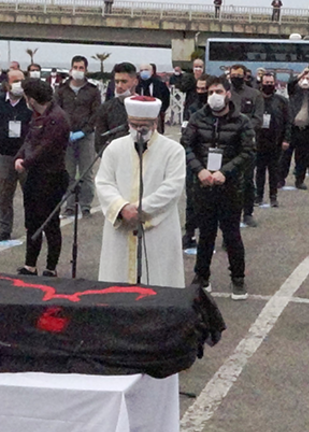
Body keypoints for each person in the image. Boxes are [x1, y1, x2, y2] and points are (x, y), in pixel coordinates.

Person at [95, 96, 186, 287]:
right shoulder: (114, 148)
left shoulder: (173, 150)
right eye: (134, 124)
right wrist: (122, 208)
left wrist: (139, 209)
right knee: (117, 285)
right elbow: (104, 182)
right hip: (122, 223)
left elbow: (172, 188)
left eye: (143, 125)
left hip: (157, 228)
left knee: (157, 283)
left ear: (155, 123)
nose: (138, 130)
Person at [182, 75, 255, 299]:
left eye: (219, 92)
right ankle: (201, 276)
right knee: (206, 234)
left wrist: (226, 172)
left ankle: (238, 279)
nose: (214, 96)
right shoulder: (197, 118)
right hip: (203, 186)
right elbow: (185, 146)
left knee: (232, 235)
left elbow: (248, 152)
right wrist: (200, 170)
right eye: (211, 92)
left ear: (228, 94)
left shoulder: (242, 121)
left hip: (230, 187)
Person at [14, 79, 71, 277]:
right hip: (35, 176)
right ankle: (30, 265)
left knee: (50, 223)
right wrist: (20, 156)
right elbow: (29, 139)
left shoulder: (57, 117)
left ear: (30, 99)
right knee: (32, 222)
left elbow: (46, 147)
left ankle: (51, 267)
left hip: (52, 176)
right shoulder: (37, 115)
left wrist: (26, 162)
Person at [0, 68, 31, 243]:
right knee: (5, 194)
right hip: (5, 155)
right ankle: (4, 228)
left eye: (21, 81)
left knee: (30, 193)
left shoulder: (29, 105)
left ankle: (32, 225)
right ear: (6, 84)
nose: (18, 85)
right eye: (14, 81)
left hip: (26, 156)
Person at [55, 56, 101, 218]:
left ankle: (86, 205)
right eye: (75, 67)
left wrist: (85, 130)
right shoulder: (61, 89)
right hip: (66, 137)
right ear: (70, 69)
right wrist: (64, 131)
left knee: (86, 172)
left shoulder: (93, 91)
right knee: (68, 172)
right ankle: (69, 205)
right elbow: (56, 111)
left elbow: (96, 114)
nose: (78, 70)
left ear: (86, 70)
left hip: (86, 136)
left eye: (81, 68)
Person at [228, 64, 264, 227]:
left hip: (247, 143)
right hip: (226, 142)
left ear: (245, 76)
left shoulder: (255, 94)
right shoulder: (225, 93)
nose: (236, 77)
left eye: (239, 75)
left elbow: (258, 119)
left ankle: (248, 213)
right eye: (233, 74)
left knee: (248, 180)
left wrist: (242, 126)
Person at [182, 75, 210, 250]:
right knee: (191, 200)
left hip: (213, 161)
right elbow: (185, 136)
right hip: (194, 161)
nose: (201, 92)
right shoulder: (191, 109)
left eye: (204, 89)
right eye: (198, 89)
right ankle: (190, 232)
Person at [256, 72, 290, 208]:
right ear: (261, 83)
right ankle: (258, 196)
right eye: (266, 83)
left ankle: (273, 196)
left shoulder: (281, 101)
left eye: (271, 83)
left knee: (274, 171)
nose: (268, 85)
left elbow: (288, 122)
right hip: (259, 141)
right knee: (259, 171)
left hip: (276, 142)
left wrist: (286, 139)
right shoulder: (256, 99)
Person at [287, 69, 309, 190]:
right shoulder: (294, 91)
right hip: (292, 128)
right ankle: (280, 178)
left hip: (307, 129)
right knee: (285, 155)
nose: (305, 81)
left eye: (308, 79)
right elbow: (291, 83)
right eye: (304, 79)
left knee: (302, 157)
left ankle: (299, 180)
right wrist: (301, 74)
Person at [94, 62, 138, 153]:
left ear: (135, 82)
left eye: (124, 82)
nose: (119, 86)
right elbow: (99, 141)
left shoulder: (145, 107)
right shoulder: (106, 108)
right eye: (117, 82)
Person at [136, 63, 171, 134]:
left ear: (152, 71)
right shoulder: (137, 85)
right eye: (141, 70)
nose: (143, 72)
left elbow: (166, 98)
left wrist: (161, 110)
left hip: (156, 115)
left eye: (146, 70)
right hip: (139, 116)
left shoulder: (159, 84)